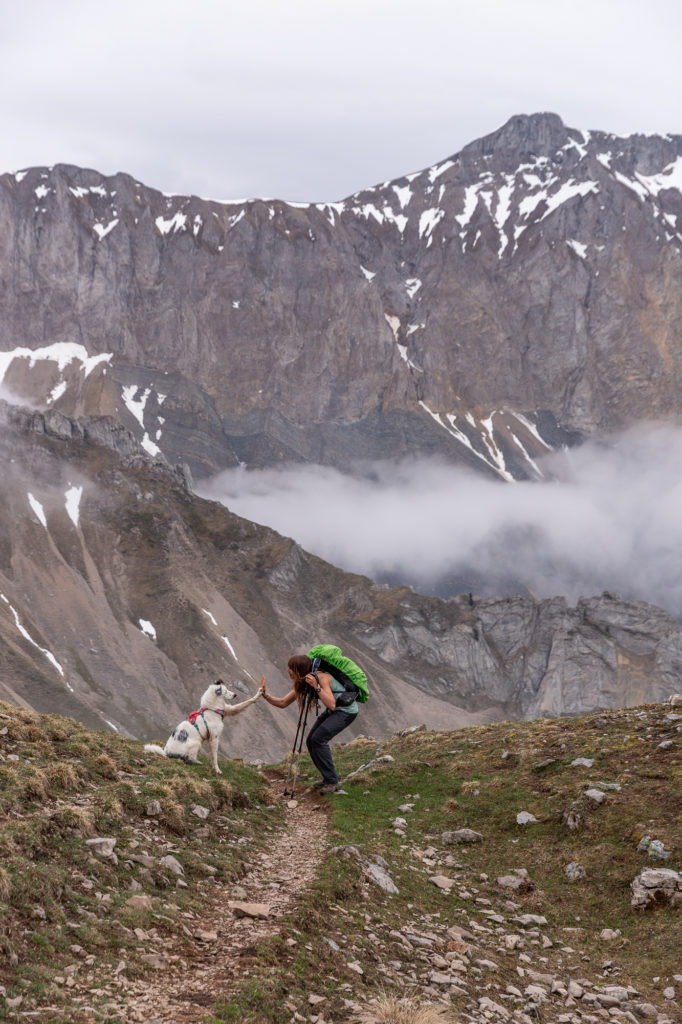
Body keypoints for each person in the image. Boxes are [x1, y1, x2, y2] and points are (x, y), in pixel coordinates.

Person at [260, 654, 358, 794]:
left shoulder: (322, 678)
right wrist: (265, 695)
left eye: (291, 668)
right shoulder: (305, 680)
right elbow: (283, 703)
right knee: (311, 741)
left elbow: (330, 704)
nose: (288, 671)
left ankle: (332, 781)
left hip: (346, 711)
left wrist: (316, 687)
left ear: (299, 669)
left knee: (318, 740)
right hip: (335, 711)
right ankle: (328, 778)